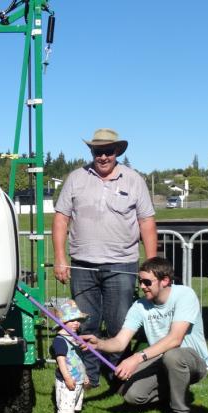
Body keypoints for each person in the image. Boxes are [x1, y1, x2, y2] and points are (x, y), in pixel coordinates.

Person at [53, 128, 158, 387]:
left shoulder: (134, 180)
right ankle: (89, 377)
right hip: (82, 264)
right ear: (91, 152)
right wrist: (59, 257)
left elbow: (146, 222)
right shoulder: (76, 178)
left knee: (118, 324)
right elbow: (61, 218)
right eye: (98, 151)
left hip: (122, 265)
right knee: (85, 325)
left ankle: (117, 375)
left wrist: (152, 264)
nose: (103, 157)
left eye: (108, 152)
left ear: (117, 152)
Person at [82, 257, 208, 413]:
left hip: (191, 359)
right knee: (132, 396)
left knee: (173, 355)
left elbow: (175, 339)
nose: (142, 286)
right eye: (140, 281)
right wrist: (99, 344)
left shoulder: (185, 295)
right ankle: (172, 394)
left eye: (147, 282)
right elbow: (120, 342)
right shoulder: (139, 306)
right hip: (160, 359)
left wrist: (137, 357)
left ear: (165, 280)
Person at [49, 299, 91, 413]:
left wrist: (84, 375)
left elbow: (78, 359)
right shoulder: (60, 340)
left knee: (75, 402)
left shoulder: (75, 338)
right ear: (62, 321)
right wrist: (67, 378)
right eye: (72, 320)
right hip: (68, 379)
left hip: (78, 377)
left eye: (78, 320)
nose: (76, 323)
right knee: (66, 405)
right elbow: (61, 361)